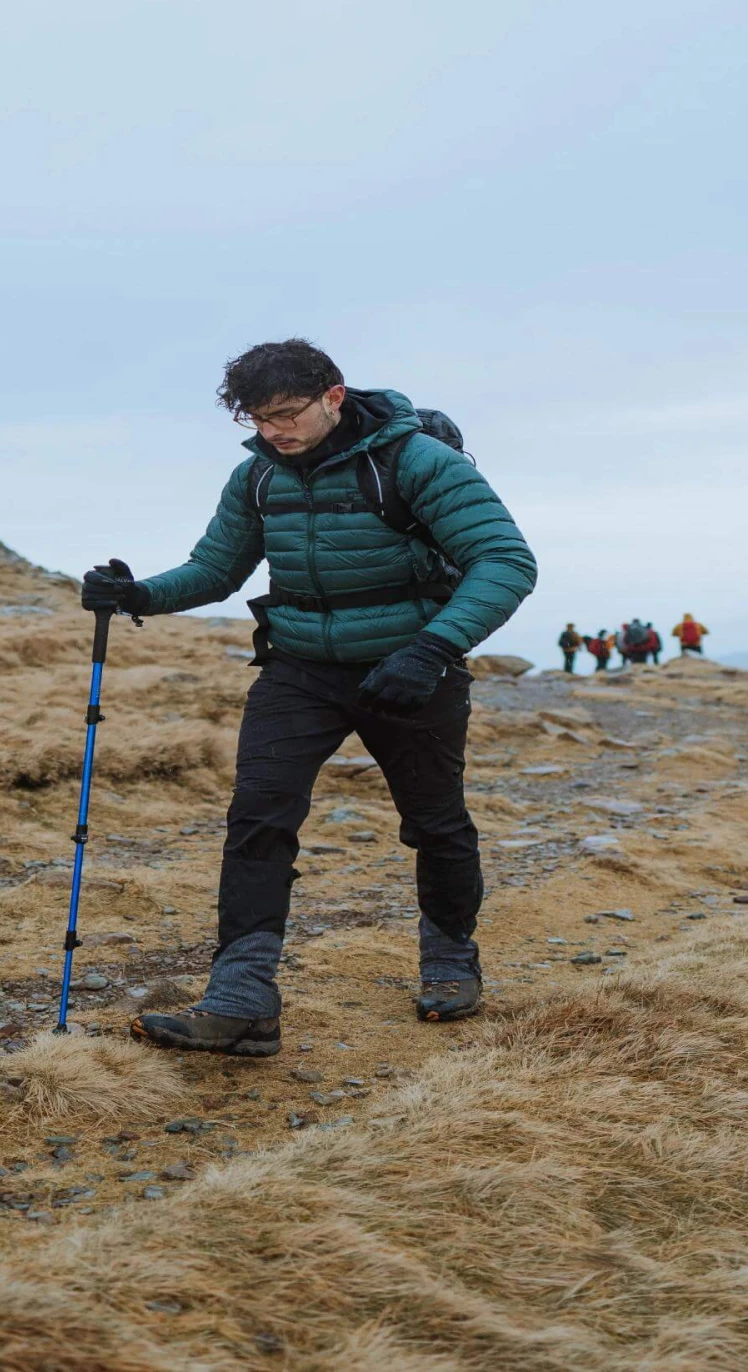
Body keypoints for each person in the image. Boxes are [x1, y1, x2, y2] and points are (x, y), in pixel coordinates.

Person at [82, 338, 536, 1056]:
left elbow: (505, 560)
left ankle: (451, 960)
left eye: (287, 415)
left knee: (435, 823)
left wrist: (433, 649)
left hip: (411, 667)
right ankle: (243, 998)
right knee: (257, 820)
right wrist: (139, 595)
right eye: (259, 421)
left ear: (333, 395)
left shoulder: (415, 463)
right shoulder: (258, 477)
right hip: (298, 671)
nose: (275, 433)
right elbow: (214, 569)